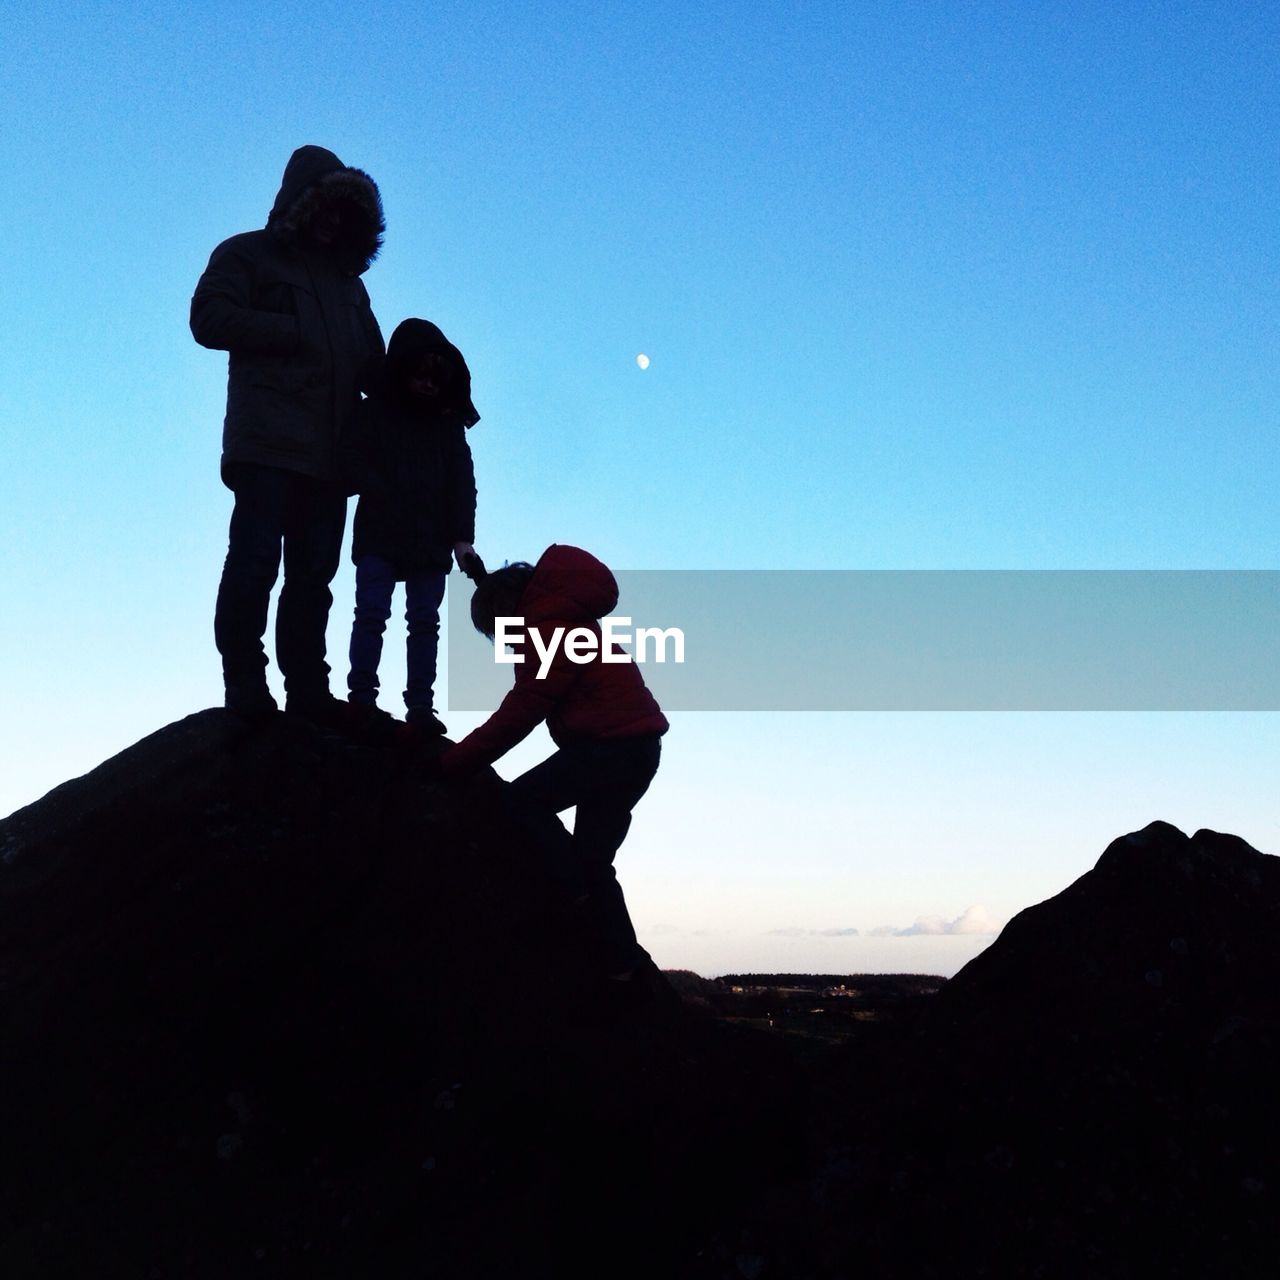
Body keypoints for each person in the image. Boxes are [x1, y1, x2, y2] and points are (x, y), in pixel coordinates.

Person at [191, 144, 386, 723]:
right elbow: (207, 319)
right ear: (300, 204)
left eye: (341, 213)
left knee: (314, 581)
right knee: (253, 564)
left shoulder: (350, 285)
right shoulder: (246, 253)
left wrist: (430, 378)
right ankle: (246, 686)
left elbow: (372, 363)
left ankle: (307, 691)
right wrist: (293, 328)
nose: (330, 222)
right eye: (323, 208)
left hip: (332, 456)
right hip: (268, 444)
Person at [441, 546, 669, 983]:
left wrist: (456, 762)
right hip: (637, 749)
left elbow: (523, 709)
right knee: (594, 859)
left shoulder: (545, 629)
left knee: (520, 802)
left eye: (494, 629)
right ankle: (623, 966)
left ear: (503, 612)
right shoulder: (558, 612)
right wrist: (481, 578)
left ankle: (571, 896)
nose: (500, 640)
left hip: (607, 749)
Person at [345, 319, 481, 733]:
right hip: (381, 533)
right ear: (402, 372)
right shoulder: (374, 413)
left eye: (435, 379)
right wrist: (378, 487)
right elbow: (354, 460)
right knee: (372, 614)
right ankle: (362, 697)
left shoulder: (448, 427)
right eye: (419, 375)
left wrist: (462, 542)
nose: (426, 385)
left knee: (423, 623)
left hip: (429, 540)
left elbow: (462, 484)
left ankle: (420, 705)